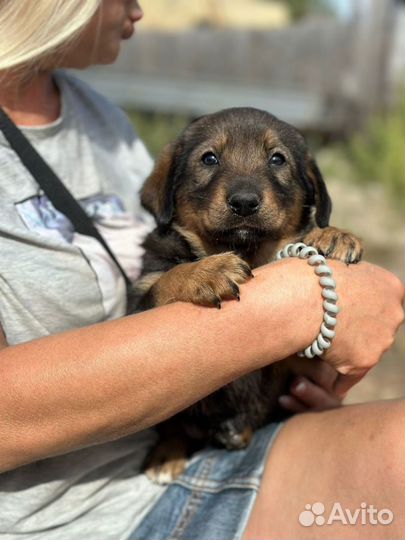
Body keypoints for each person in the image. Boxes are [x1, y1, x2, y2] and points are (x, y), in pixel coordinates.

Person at [0, 1, 403, 539]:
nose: (139, 6)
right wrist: (301, 305)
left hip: (235, 439)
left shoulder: (99, 117)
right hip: (67, 517)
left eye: (277, 161)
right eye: (210, 161)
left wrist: (312, 360)